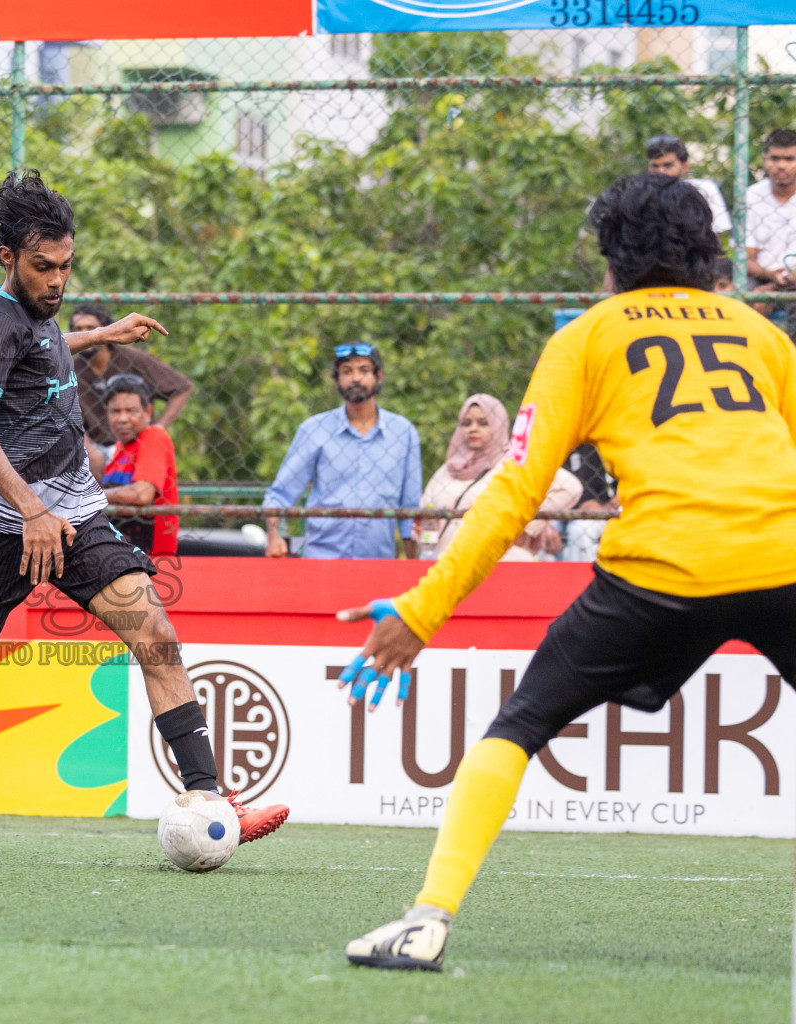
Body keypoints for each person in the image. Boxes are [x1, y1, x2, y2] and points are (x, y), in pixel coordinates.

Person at [338, 173, 796, 971]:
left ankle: (428, 920)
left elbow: (515, 489)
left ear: (610, 259)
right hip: (786, 557)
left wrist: (422, 608)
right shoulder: (761, 332)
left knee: (520, 726)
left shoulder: (587, 336)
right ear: (708, 256)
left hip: (661, 569)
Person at [0, 169, 288, 843]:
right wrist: (31, 511)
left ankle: (213, 797)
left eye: (66, 266)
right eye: (42, 267)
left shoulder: (39, 316)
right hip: (2, 528)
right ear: (6, 257)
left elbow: (45, 348)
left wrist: (102, 332)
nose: (57, 281)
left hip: (77, 516)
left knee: (157, 635)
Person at [262, 343, 422, 559]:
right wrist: (274, 536)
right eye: (347, 371)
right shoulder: (315, 430)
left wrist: (411, 566)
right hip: (322, 559)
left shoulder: (403, 432)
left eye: (364, 370)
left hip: (379, 561)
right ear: (337, 379)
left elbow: (410, 508)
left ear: (379, 376)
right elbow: (280, 494)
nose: (355, 378)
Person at [416, 394, 581, 561]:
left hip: (498, 560)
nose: (473, 429)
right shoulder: (449, 468)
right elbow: (423, 514)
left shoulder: (513, 463)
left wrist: (523, 525)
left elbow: (570, 487)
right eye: (466, 423)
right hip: (445, 562)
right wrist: (423, 529)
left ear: (497, 425)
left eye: (483, 423)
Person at [71, 301, 193, 477]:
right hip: (92, 448)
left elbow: (182, 388)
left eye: (90, 328)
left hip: (135, 443)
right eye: (78, 328)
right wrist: (87, 447)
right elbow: (63, 414)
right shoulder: (71, 369)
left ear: (104, 330)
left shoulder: (132, 359)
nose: (85, 334)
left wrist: (156, 431)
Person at [99, 374, 179, 557]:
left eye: (131, 410)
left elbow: (142, 494)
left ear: (148, 412)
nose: (123, 418)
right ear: (106, 414)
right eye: (115, 411)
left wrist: (92, 496)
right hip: (122, 553)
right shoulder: (119, 448)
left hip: (152, 556)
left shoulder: (153, 436)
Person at [645, 134, 731, 234]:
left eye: (668, 165)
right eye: (655, 166)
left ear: (684, 166)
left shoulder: (704, 189)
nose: (661, 172)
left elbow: (716, 236)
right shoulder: (642, 195)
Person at [747, 129, 796, 301]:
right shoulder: (751, 195)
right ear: (765, 160)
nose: (781, 165)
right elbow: (745, 258)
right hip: (760, 277)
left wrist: (772, 288)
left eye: (789, 159)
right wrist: (771, 277)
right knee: (742, 292)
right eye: (775, 158)